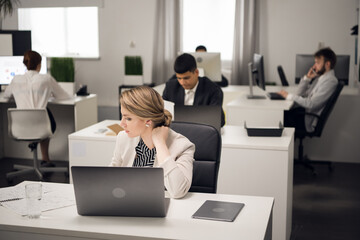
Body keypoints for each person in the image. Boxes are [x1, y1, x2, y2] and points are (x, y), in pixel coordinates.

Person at [109, 86, 195, 199]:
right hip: (128, 202)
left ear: (148, 121)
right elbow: (110, 176)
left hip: (163, 208)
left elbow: (177, 191)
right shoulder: (124, 137)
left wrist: (160, 143)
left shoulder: (183, 146)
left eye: (128, 118)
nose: (121, 124)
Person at [4, 50, 71, 167]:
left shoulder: (15, 79)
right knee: (46, 116)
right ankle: (45, 158)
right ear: (39, 64)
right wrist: (49, 94)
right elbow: (63, 96)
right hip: (41, 127)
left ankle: (33, 144)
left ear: (25, 64)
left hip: (20, 128)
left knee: (43, 115)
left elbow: (6, 95)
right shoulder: (46, 79)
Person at [278, 47, 338, 132]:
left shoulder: (330, 81)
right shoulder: (320, 78)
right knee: (280, 114)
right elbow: (299, 94)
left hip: (307, 119)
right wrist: (307, 78)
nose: (314, 66)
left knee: (279, 116)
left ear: (327, 64)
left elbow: (311, 104)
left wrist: (289, 96)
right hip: (303, 113)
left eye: (317, 63)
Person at [163, 53, 225, 127]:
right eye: (179, 78)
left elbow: (218, 120)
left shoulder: (213, 90)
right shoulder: (170, 87)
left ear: (196, 72)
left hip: (202, 130)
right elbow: (162, 114)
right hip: (176, 130)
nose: (182, 83)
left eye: (186, 78)